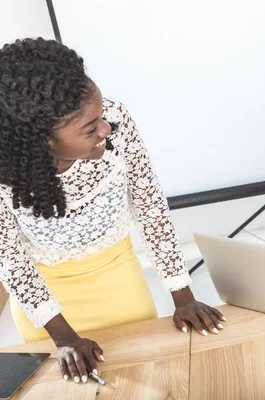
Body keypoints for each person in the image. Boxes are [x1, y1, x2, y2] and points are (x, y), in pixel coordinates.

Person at [0, 38, 225, 384]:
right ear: (43, 140)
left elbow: (150, 205)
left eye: (101, 116)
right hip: (48, 308)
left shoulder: (115, 121)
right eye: (90, 128)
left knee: (154, 381)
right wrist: (64, 339)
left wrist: (183, 297)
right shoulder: (5, 176)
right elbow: (11, 262)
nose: (105, 128)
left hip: (120, 277)